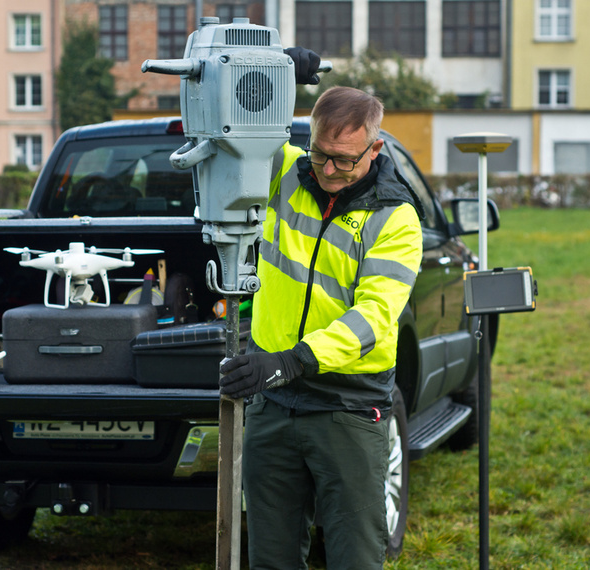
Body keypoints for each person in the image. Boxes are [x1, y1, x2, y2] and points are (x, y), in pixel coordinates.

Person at [218, 76, 425, 567]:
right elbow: (230, 133)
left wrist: (291, 362)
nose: (328, 169)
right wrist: (269, 74)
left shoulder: (395, 219)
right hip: (274, 403)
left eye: (344, 160)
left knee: (355, 556)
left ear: (374, 149)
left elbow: (373, 317)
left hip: (347, 407)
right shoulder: (286, 172)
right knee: (271, 557)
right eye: (319, 154)